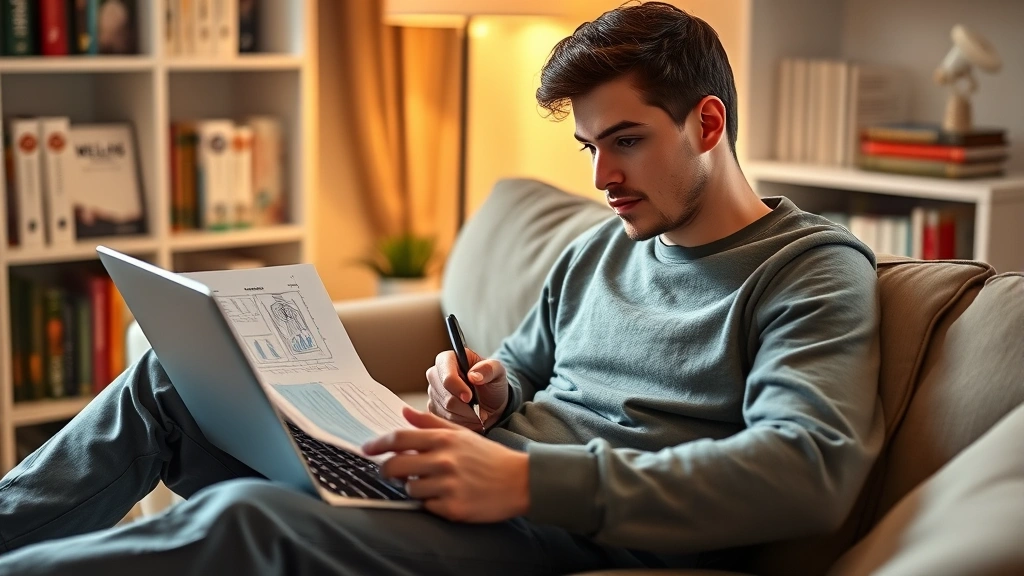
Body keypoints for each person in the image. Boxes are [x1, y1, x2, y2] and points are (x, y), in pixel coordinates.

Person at [0, 3, 883, 574]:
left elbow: (806, 467)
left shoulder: (808, 269)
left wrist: (529, 481)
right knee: (171, 384)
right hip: (474, 491)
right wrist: (480, 392)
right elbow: (516, 378)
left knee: (248, 522)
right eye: (589, 150)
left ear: (709, 122)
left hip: (565, 532)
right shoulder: (602, 249)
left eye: (626, 140)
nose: (603, 176)